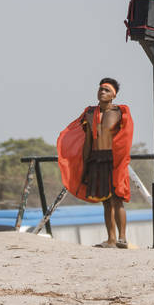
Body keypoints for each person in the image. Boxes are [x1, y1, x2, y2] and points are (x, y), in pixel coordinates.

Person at [57, 78, 134, 248]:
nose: (102, 92)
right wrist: (84, 164)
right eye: (100, 89)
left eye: (106, 90)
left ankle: (122, 238)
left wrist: (120, 161)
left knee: (117, 198)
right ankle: (111, 239)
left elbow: (125, 139)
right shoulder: (90, 113)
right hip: (95, 159)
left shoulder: (120, 112)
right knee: (105, 201)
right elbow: (87, 141)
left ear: (113, 95)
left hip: (113, 160)